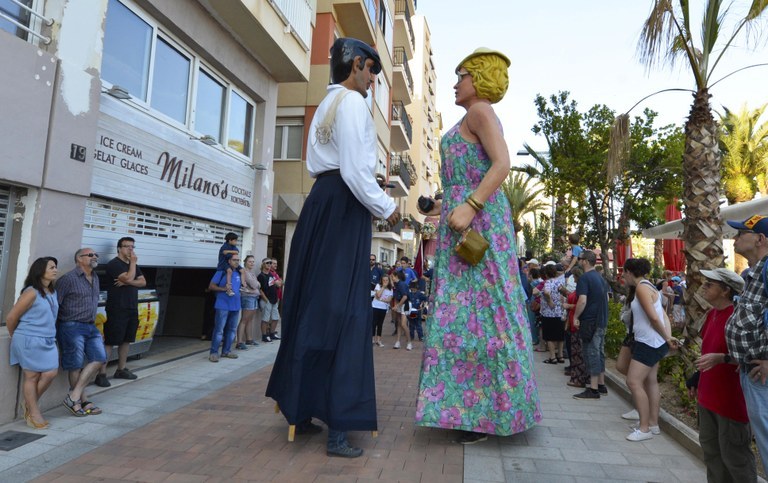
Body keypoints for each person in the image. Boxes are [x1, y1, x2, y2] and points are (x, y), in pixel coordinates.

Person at [265, 37, 400, 459]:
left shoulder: (326, 104)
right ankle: (339, 427)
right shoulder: (354, 104)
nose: (373, 81)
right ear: (357, 65)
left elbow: (332, 165)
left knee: (311, 303)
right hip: (344, 206)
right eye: (372, 72)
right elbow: (358, 173)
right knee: (344, 310)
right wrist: (388, 208)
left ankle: (301, 409)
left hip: (320, 203)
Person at [414, 47, 541, 445]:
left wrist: (469, 206)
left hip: (479, 226)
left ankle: (484, 413)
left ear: (479, 78)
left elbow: (502, 164)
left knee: (484, 315)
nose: (455, 83)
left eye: (461, 75)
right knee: (470, 315)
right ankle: (472, 410)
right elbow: (470, 175)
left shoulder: (480, 111)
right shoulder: (473, 115)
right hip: (465, 225)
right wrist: (441, 205)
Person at [689, 268, 755, 482]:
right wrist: (697, 378)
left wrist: (723, 358)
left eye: (710, 284)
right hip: (708, 399)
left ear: (725, 291)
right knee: (712, 456)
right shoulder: (712, 314)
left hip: (731, 403)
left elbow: (752, 357)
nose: (704, 287)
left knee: (735, 458)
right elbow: (708, 351)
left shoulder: (739, 319)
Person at [724, 215, 768, 474]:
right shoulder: (753, 272)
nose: (735, 238)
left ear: (761, 239)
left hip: (760, 373)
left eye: (741, 233)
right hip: (750, 370)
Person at [621, 258, 677, 441]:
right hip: (653, 341)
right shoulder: (650, 287)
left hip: (648, 343)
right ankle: (652, 424)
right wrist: (667, 338)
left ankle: (644, 428)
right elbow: (663, 316)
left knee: (634, 382)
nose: (622, 276)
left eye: (624, 272)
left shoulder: (642, 288)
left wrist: (667, 338)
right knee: (650, 381)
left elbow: (654, 318)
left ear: (630, 272)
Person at [6, 257, 59, 429]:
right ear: (40, 270)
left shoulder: (52, 291)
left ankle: (29, 405)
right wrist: (15, 335)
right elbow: (11, 317)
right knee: (32, 376)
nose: (55, 270)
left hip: (48, 339)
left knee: (50, 373)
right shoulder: (31, 292)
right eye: (51, 267)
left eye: (55, 267)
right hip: (28, 338)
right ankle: (34, 413)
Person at [56, 248, 107, 417]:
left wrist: (97, 328)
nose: (95, 257)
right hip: (71, 326)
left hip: (91, 326)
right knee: (75, 365)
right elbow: (56, 305)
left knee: (99, 358)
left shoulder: (96, 277)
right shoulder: (68, 279)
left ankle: (74, 396)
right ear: (79, 259)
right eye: (90, 255)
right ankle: (82, 401)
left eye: (96, 255)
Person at [97, 237, 146, 386]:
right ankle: (101, 373)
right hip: (117, 307)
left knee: (127, 340)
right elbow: (130, 276)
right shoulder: (114, 264)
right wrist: (132, 268)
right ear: (119, 248)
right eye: (127, 247)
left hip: (132, 307)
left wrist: (128, 281)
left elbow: (143, 282)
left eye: (132, 246)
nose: (130, 250)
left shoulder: (132, 265)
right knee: (111, 340)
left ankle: (121, 369)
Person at [572, 250, 610, 400]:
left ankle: (593, 389)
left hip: (590, 321)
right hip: (601, 321)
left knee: (591, 352)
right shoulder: (601, 278)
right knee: (599, 352)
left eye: (580, 259)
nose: (579, 261)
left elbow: (582, 300)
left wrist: (576, 316)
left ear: (586, 261)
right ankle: (601, 384)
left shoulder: (585, 278)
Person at [207, 254, 242, 362]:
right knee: (219, 330)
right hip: (222, 305)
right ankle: (213, 353)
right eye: (234, 260)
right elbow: (211, 286)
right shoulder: (221, 272)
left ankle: (226, 351)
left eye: (238, 260)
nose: (237, 262)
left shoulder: (238, 273)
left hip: (236, 306)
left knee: (232, 330)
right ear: (229, 261)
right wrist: (223, 289)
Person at [540, 263, 566, 364]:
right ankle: (560, 355)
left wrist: (550, 301)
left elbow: (546, 292)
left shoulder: (547, 282)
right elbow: (564, 292)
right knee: (560, 335)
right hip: (559, 312)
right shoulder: (558, 282)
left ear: (546, 273)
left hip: (548, 313)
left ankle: (552, 357)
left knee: (549, 336)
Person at [236, 255, 260, 349]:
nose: (252, 263)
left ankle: (249, 339)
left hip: (253, 297)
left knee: (250, 320)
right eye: (250, 261)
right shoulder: (244, 272)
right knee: (244, 319)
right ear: (245, 262)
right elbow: (255, 285)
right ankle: (239, 342)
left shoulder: (252, 273)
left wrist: (257, 285)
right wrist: (256, 285)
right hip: (247, 297)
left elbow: (258, 285)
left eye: (253, 261)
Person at [257, 258, 281, 343]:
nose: (269, 264)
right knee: (265, 319)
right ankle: (264, 335)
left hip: (274, 300)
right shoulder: (261, 276)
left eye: (270, 263)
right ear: (263, 264)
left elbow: (279, 284)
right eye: (267, 263)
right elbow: (260, 290)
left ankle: (272, 333)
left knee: (276, 318)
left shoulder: (271, 275)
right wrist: (266, 300)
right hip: (266, 300)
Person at [392, 270, 413, 350]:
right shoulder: (396, 284)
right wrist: (396, 306)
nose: (392, 278)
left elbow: (405, 297)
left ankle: (409, 342)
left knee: (404, 324)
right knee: (399, 323)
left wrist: (397, 306)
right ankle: (398, 342)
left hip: (406, 304)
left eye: (392, 276)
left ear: (396, 276)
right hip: (400, 304)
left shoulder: (402, 284)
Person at [371, 274, 393, 347]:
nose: (385, 282)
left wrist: (381, 299)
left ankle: (379, 340)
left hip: (383, 308)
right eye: (384, 280)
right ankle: (372, 339)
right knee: (374, 323)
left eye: (387, 280)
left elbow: (389, 300)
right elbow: (378, 295)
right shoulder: (378, 286)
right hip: (375, 306)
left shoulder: (390, 289)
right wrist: (383, 287)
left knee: (380, 324)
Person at [269, 258, 283, 339]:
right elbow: (278, 284)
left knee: (275, 317)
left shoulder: (275, 273)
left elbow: (281, 283)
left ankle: (272, 332)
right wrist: (279, 282)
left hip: (277, 297)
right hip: (272, 298)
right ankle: (270, 332)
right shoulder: (270, 274)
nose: (275, 265)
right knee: (272, 317)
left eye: (276, 263)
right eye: (274, 263)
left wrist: (280, 282)